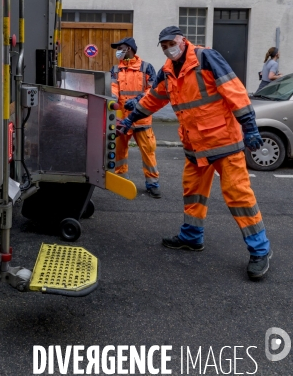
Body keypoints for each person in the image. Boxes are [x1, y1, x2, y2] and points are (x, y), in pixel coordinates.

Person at [117, 26, 271, 279]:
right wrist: (131, 119)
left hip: (223, 143)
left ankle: (260, 250)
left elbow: (235, 91)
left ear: (182, 40)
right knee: (193, 193)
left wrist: (250, 127)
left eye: (170, 43)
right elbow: (153, 99)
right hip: (194, 147)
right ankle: (191, 237)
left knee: (238, 196)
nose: (168, 49)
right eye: (163, 46)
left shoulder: (206, 58)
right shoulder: (167, 70)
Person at [110, 37, 161, 198]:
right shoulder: (116, 69)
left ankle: (152, 183)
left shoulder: (146, 68)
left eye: (120, 48)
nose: (118, 51)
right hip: (121, 119)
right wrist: (112, 100)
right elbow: (113, 88)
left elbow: (152, 90)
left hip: (142, 119)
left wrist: (138, 100)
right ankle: (121, 179)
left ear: (129, 49)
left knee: (148, 152)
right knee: (119, 151)